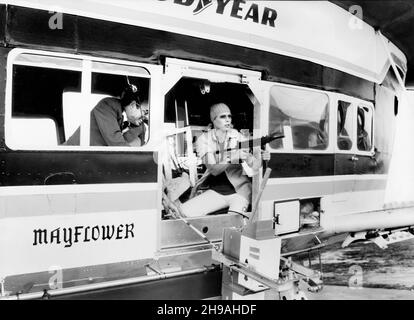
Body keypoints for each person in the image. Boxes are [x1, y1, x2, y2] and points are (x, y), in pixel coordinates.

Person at [178, 102, 270, 218]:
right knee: (183, 213)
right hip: (217, 191)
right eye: (222, 116)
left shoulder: (237, 136)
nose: (227, 120)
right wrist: (232, 157)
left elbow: (253, 165)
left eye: (229, 116)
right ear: (213, 120)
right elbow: (214, 170)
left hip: (240, 192)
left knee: (234, 225)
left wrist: (260, 158)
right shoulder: (204, 140)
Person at [65, 84, 146, 146]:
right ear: (133, 105)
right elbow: (118, 146)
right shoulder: (107, 106)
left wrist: (141, 128)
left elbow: (132, 143)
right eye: (145, 112)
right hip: (69, 157)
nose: (146, 116)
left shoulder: (131, 120)